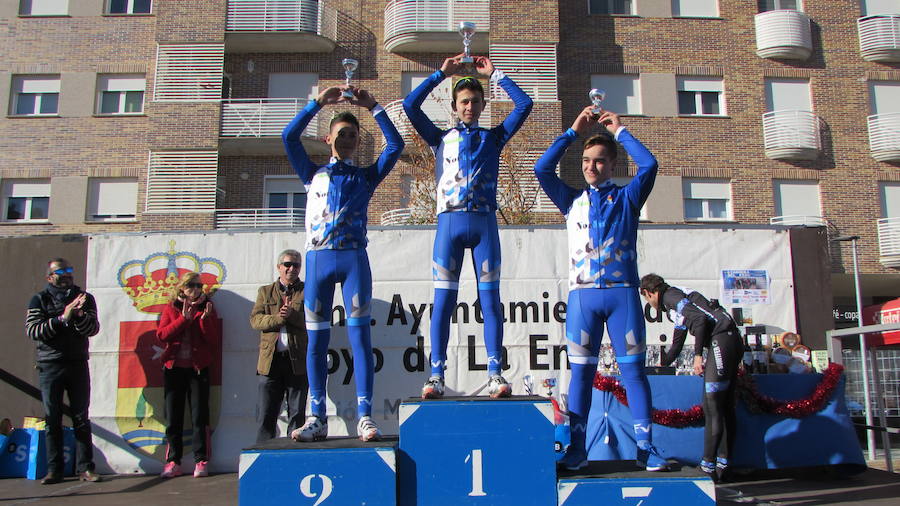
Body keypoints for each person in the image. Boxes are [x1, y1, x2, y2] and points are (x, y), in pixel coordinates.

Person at [534, 106, 667, 471]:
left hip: (622, 294)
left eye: (600, 161)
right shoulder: (570, 199)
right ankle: (577, 449)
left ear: (612, 165)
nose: (592, 167)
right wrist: (573, 130)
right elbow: (542, 169)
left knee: (634, 373)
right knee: (581, 375)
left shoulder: (627, 199)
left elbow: (650, 165)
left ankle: (645, 448)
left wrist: (620, 131)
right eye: (587, 161)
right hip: (582, 298)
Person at [403, 53, 533, 399]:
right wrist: (439, 74)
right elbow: (410, 106)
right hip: (448, 223)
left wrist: (497, 75)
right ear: (454, 106)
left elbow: (524, 105)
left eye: (475, 101)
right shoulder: (439, 138)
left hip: (484, 224)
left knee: (490, 300)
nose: (470, 107)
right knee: (443, 301)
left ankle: (495, 372)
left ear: (482, 103)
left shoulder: (493, 138)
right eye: (464, 102)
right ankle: (436, 375)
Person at [282, 84, 403, 442]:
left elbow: (395, 146)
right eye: (341, 134)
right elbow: (289, 138)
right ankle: (317, 417)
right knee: (316, 343)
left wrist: (375, 107)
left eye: (352, 134)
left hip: (353, 260)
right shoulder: (312, 174)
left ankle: (365, 415)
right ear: (328, 138)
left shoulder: (365, 176)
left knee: (360, 340)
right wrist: (317, 102)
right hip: (318, 260)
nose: (347, 139)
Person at [639, 273, 742, 481]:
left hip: (720, 340)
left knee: (712, 405)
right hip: (731, 340)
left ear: (651, 292)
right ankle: (723, 465)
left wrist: (697, 357)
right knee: (723, 407)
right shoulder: (675, 300)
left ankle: (708, 466)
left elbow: (700, 318)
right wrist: (663, 364)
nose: (650, 304)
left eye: (647, 299)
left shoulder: (669, 297)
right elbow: (677, 342)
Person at [25, 258, 102, 484]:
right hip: (50, 365)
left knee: (81, 417)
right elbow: (33, 331)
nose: (67, 274)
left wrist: (78, 316)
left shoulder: (85, 299)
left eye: (70, 270)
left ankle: (85, 468)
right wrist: (61, 318)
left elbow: (93, 329)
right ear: (50, 277)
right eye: (61, 271)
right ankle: (54, 469)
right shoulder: (39, 299)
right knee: (53, 418)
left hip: (77, 363)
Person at [156, 271, 219, 478]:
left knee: (199, 416)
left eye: (200, 286)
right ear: (182, 288)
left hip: (198, 368)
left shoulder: (207, 307)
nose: (196, 289)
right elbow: (163, 335)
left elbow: (212, 340)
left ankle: (201, 460)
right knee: (173, 416)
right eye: (192, 285)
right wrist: (183, 319)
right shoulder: (171, 307)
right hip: (174, 368)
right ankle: (173, 461)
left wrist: (205, 319)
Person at [250, 249, 308, 442]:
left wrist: (292, 315)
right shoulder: (265, 291)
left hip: (297, 361)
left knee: (297, 416)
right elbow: (256, 321)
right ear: (279, 267)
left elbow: (313, 321)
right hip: (270, 362)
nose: (292, 269)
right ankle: (263, 456)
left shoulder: (307, 291)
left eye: (296, 265)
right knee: (266, 415)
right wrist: (277, 318)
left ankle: (295, 457)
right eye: (288, 265)